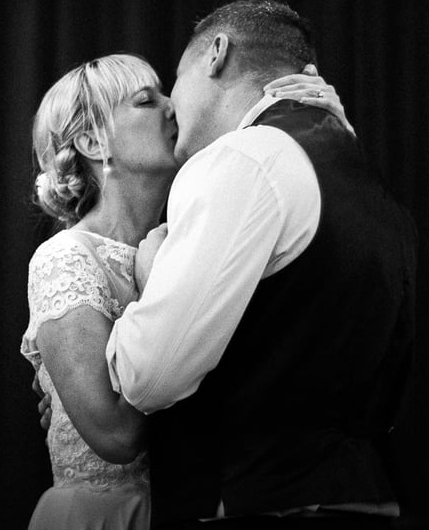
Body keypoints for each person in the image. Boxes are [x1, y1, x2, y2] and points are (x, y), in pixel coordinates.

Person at [105, 0, 417, 529]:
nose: (170, 108)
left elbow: (150, 376)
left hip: (255, 504)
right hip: (370, 500)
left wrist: (150, 268)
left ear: (216, 55)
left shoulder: (241, 159)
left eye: (174, 80)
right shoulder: (372, 187)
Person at [22, 51, 351, 530]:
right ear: (94, 141)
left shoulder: (191, 242)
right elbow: (115, 437)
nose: (171, 106)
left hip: (194, 506)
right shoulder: (65, 259)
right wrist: (155, 290)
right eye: (144, 100)